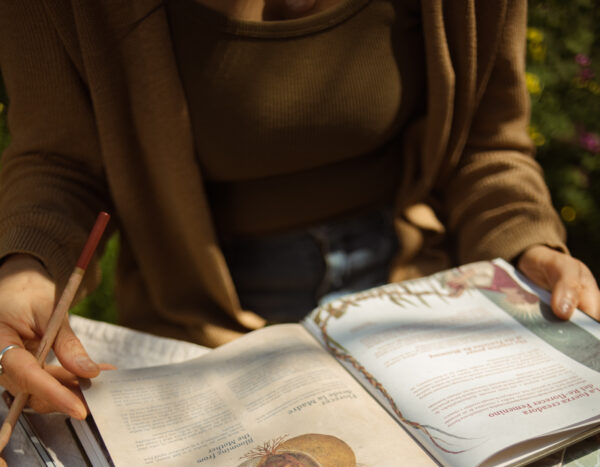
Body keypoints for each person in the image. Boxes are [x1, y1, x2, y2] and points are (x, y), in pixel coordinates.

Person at [0, 0, 598, 423]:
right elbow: (61, 160)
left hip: (417, 297)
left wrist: (527, 244)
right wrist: (27, 265)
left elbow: (483, 143)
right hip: (203, 325)